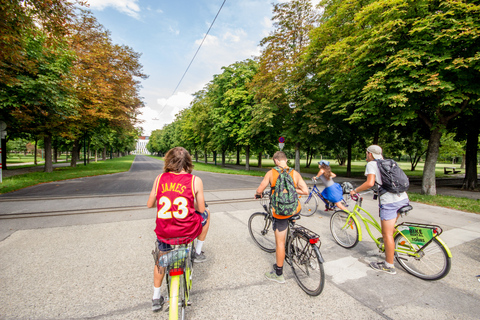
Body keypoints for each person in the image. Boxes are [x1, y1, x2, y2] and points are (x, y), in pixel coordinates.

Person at [147, 147, 210, 312]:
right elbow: (201, 208)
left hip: (165, 232)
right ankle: (197, 251)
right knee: (207, 214)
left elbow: (149, 204)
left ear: (168, 160)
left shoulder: (160, 178)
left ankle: (155, 297)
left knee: (161, 259)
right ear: (188, 162)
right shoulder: (195, 180)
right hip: (186, 232)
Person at [349, 145, 409, 275]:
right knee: (390, 229)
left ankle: (389, 265)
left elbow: (370, 183)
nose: (366, 155)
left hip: (390, 202)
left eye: (367, 153)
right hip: (403, 198)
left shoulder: (372, 164)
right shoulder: (390, 162)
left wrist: (355, 190)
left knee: (386, 234)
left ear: (370, 154)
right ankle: (394, 243)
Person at [255, 151, 309, 284]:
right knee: (291, 220)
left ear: (276, 161)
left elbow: (260, 189)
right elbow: (305, 191)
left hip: (280, 212)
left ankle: (278, 273)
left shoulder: (271, 173)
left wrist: (258, 194)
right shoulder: (295, 173)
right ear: (286, 160)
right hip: (294, 209)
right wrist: (291, 189)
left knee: (280, 242)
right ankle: (293, 241)